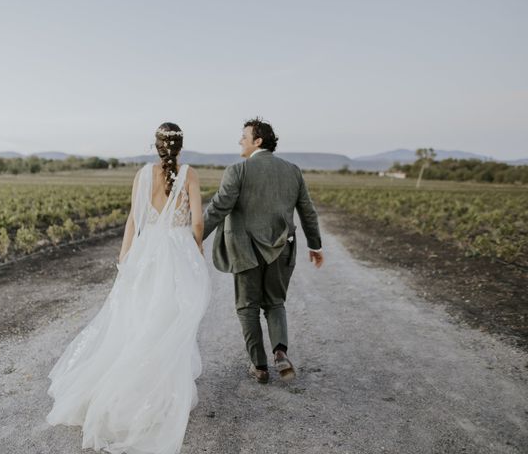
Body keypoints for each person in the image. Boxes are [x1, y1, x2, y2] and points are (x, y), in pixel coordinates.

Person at [46, 122, 211, 453]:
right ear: (180, 146)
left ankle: (135, 389)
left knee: (138, 321)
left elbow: (134, 221)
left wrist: (126, 256)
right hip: (177, 253)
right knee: (168, 321)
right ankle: (157, 392)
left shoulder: (141, 175)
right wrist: (197, 252)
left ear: (156, 145)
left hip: (147, 253)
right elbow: (196, 221)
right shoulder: (190, 174)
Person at [203, 117, 324, 384]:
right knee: (275, 303)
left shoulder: (238, 170)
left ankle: (259, 366)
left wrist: (193, 238)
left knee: (247, 306)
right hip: (282, 248)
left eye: (244, 137)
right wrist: (315, 245)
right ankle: (280, 352)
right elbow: (307, 211)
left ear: (258, 141)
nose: (240, 141)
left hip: (245, 250)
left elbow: (218, 208)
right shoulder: (293, 170)